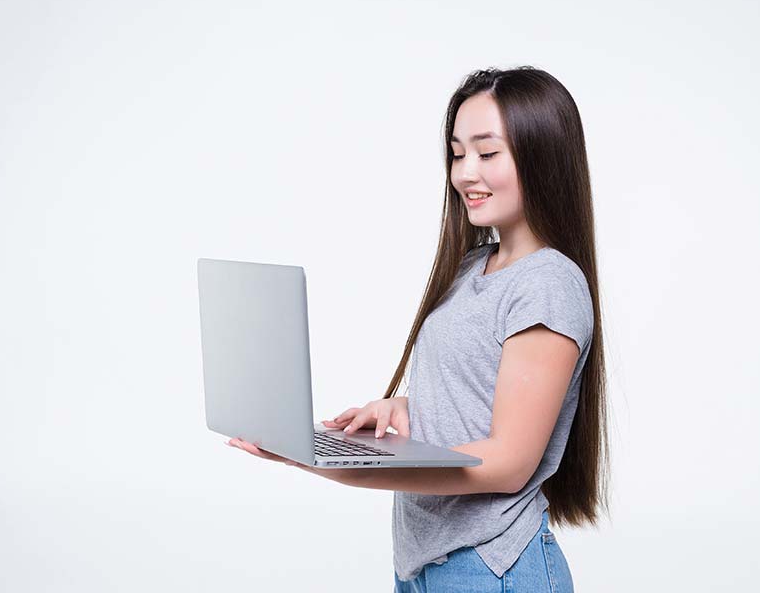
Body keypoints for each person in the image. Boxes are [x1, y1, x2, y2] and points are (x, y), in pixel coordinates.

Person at [229, 65, 610, 593]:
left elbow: (507, 464)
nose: (465, 173)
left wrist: (326, 462)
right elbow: (482, 389)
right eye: (457, 153)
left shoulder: (548, 283)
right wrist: (406, 410)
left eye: (486, 152)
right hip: (423, 563)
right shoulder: (470, 266)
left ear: (541, 153)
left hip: (489, 567)